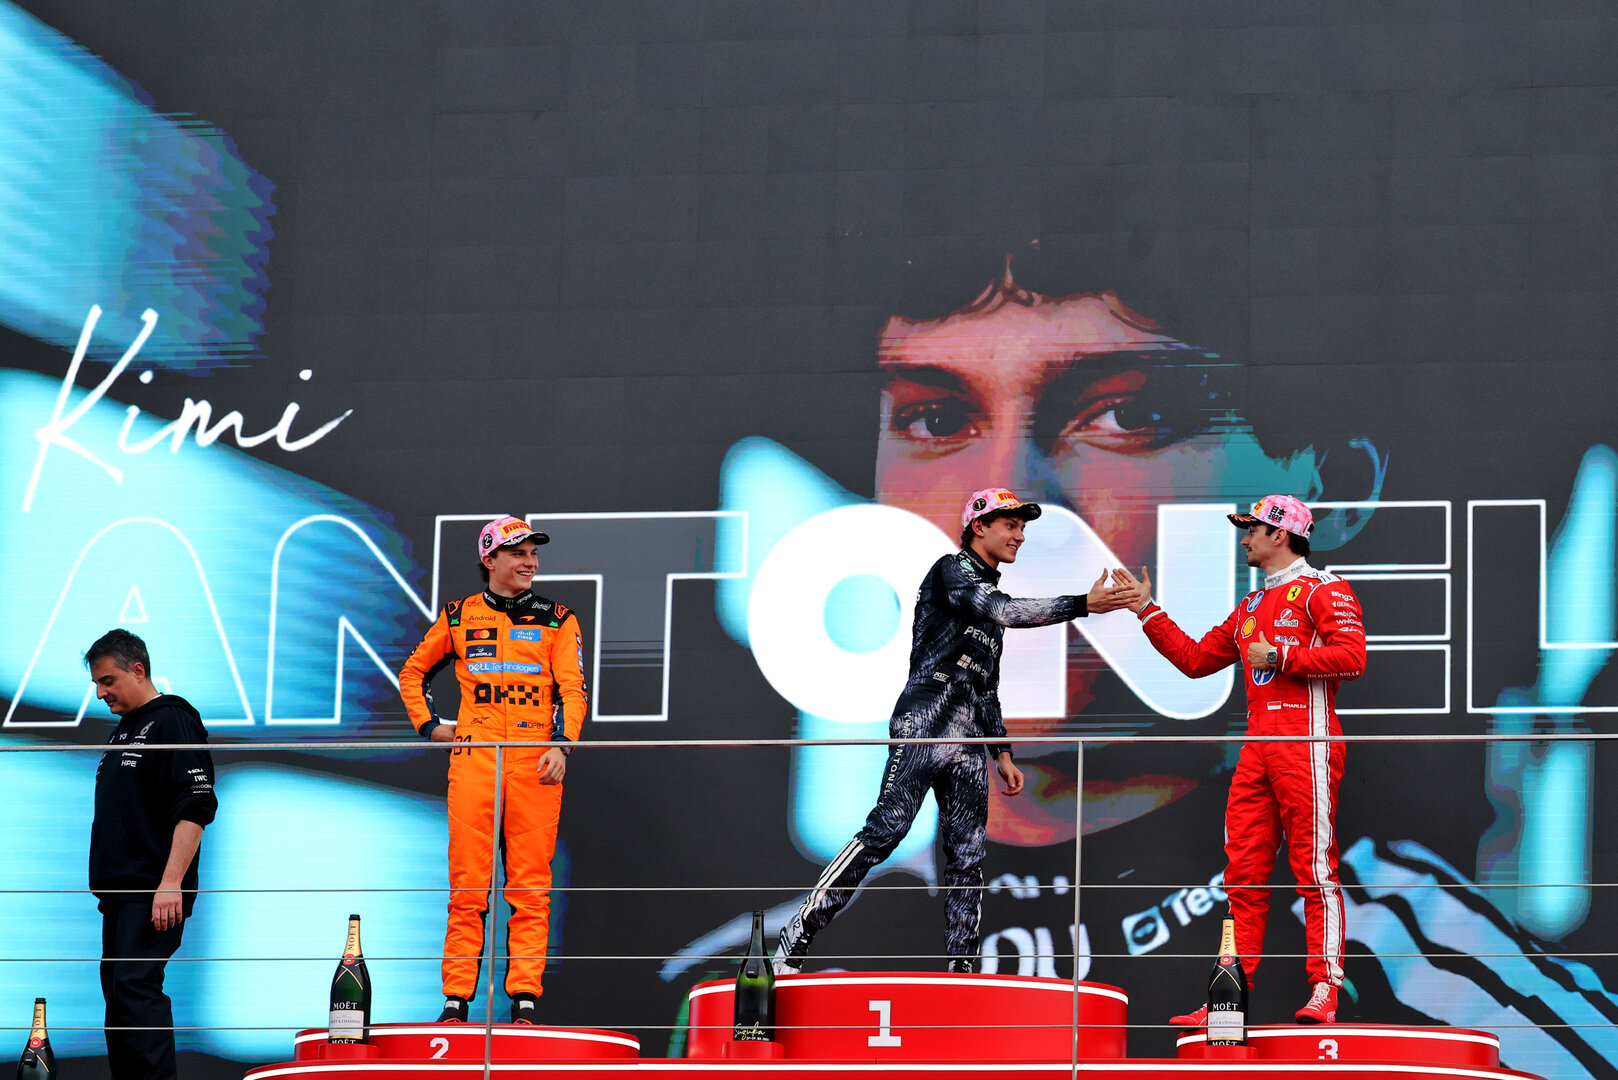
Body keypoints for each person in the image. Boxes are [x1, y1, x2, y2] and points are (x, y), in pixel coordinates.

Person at [772, 488, 1137, 974]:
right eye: (1011, 525)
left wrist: (1002, 753)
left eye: (1023, 528)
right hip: (926, 721)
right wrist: (1083, 604)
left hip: (968, 742)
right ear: (979, 526)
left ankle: (961, 969)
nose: (1020, 536)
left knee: (968, 855)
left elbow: (987, 685)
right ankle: (799, 931)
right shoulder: (952, 570)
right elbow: (1005, 611)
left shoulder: (989, 604)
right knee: (887, 829)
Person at [1112, 495, 1365, 1024]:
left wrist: (1280, 656)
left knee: (1313, 870)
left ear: (1280, 534)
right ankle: (1228, 999)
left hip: (1307, 743)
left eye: (1252, 530)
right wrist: (1146, 610)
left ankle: (1325, 988)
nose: (1244, 539)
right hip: (1256, 750)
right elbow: (1195, 660)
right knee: (1242, 876)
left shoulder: (1324, 588)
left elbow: (1352, 657)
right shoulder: (1250, 607)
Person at [399, 515, 588, 1024]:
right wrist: (429, 726)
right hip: (475, 760)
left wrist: (562, 746)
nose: (531, 562)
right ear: (490, 559)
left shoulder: (558, 618)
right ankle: (456, 1000)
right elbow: (413, 671)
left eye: (533, 553)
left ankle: (524, 999)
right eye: (518, 553)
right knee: (467, 886)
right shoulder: (459, 616)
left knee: (530, 888)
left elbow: (572, 689)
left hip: (534, 762)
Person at [86, 629, 218, 1080]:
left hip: (152, 890)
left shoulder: (173, 719)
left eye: (108, 681)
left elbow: (196, 806)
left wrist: (170, 883)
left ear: (138, 670)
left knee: (135, 989)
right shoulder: (124, 730)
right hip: (120, 894)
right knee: (120, 997)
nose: (101, 693)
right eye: (96, 684)